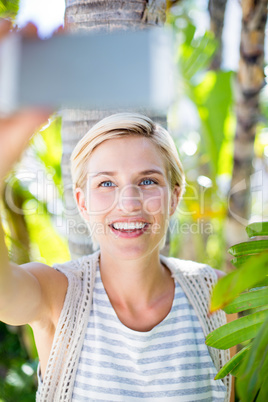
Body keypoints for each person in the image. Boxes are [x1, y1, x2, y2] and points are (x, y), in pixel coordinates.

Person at [0, 19, 231, 402]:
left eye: (148, 181)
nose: (128, 202)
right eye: (106, 183)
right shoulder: (58, 294)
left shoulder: (219, 300)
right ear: (82, 202)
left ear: (174, 197)